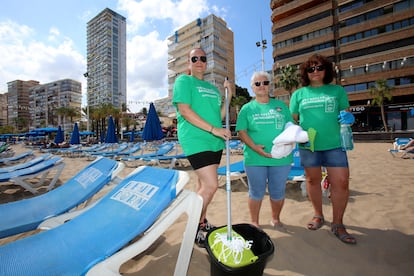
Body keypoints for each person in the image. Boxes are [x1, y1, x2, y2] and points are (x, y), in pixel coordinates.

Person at [289, 53, 357, 244]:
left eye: (319, 67)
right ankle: (318, 214)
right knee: (312, 180)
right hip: (308, 145)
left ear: (326, 69)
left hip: (335, 144)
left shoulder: (337, 91)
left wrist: (349, 118)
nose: (315, 71)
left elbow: (345, 113)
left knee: (342, 182)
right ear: (306, 73)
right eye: (311, 69)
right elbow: (291, 120)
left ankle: (338, 223)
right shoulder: (298, 95)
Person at [172, 47, 233, 246]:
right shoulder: (184, 81)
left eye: (203, 58)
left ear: (206, 63)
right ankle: (192, 227)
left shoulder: (214, 89)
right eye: (194, 58)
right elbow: (185, 111)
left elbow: (220, 116)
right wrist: (213, 129)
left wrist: (229, 96)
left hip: (214, 142)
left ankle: (201, 222)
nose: (199, 61)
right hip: (196, 139)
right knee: (211, 185)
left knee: (202, 185)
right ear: (189, 63)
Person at [236, 71, 293, 229]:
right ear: (252, 88)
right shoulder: (247, 109)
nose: (262, 86)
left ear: (270, 85)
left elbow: (291, 127)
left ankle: (275, 218)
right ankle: (255, 221)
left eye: (265, 83)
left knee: (278, 191)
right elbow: (242, 131)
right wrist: (255, 147)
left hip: (281, 158)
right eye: (257, 84)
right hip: (255, 158)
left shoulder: (281, 106)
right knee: (256, 192)